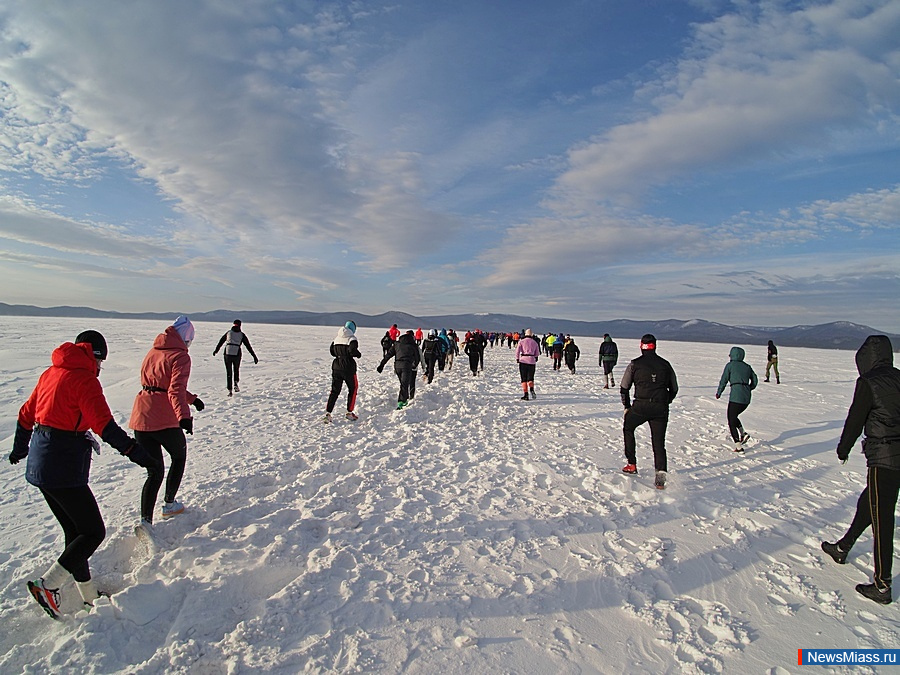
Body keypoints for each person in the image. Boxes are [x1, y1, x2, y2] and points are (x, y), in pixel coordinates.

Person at [9, 330, 159, 619]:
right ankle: (48, 586)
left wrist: (20, 448)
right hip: (62, 466)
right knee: (93, 532)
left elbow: (26, 414)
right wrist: (140, 455)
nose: (101, 369)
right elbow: (105, 426)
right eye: (101, 362)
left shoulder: (51, 373)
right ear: (96, 356)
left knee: (75, 533)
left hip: (40, 465)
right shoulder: (84, 380)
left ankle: (89, 597)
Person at [821, 335, 900, 605]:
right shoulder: (899, 377)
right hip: (896, 456)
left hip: (884, 458)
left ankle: (881, 585)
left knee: (882, 517)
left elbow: (856, 418)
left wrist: (844, 448)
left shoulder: (868, 382)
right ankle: (843, 548)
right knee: (868, 502)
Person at [129, 316, 204, 525]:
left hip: (142, 417)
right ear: (186, 338)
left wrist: (193, 400)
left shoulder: (154, 351)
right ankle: (170, 504)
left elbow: (159, 385)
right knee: (178, 457)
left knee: (154, 471)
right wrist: (184, 416)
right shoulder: (180, 357)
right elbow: (174, 389)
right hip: (164, 419)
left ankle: (145, 521)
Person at [620, 334, 679, 489]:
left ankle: (631, 464)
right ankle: (660, 476)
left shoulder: (635, 364)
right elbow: (674, 388)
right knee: (659, 442)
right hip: (660, 408)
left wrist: (626, 407)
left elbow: (624, 387)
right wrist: (666, 401)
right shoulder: (665, 365)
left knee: (628, 428)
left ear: (641, 346)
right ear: (655, 346)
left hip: (640, 406)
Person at [715, 346, 758, 452]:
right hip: (746, 398)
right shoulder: (747, 366)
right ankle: (743, 434)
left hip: (736, 397)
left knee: (731, 419)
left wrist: (719, 392)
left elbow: (723, 380)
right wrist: (749, 388)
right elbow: (755, 380)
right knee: (734, 416)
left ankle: (738, 446)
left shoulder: (730, 366)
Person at [325, 321, 361, 422]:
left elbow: (332, 352)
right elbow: (353, 351)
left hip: (336, 367)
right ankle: (349, 412)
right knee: (353, 389)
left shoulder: (336, 338)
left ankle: (328, 413)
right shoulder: (352, 339)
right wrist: (358, 354)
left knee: (335, 390)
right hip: (348, 368)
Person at [213, 320, 258, 396]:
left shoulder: (228, 333)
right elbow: (248, 346)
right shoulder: (241, 335)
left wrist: (216, 350)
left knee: (229, 372)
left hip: (227, 353)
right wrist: (254, 356)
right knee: (236, 369)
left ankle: (229, 390)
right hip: (237, 353)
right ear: (240, 325)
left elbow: (221, 342)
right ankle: (236, 383)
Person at [377, 330, 421, 409]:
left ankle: (405, 398)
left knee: (403, 384)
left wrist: (381, 365)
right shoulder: (413, 345)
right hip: (407, 366)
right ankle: (401, 402)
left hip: (397, 367)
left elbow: (388, 355)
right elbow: (417, 358)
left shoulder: (397, 344)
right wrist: (414, 365)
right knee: (404, 385)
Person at [515, 328, 540, 400]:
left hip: (523, 361)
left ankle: (526, 394)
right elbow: (537, 353)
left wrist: (517, 358)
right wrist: (535, 357)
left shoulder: (521, 341)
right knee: (531, 378)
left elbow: (517, 351)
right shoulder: (534, 342)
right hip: (532, 361)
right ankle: (531, 389)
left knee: (524, 379)